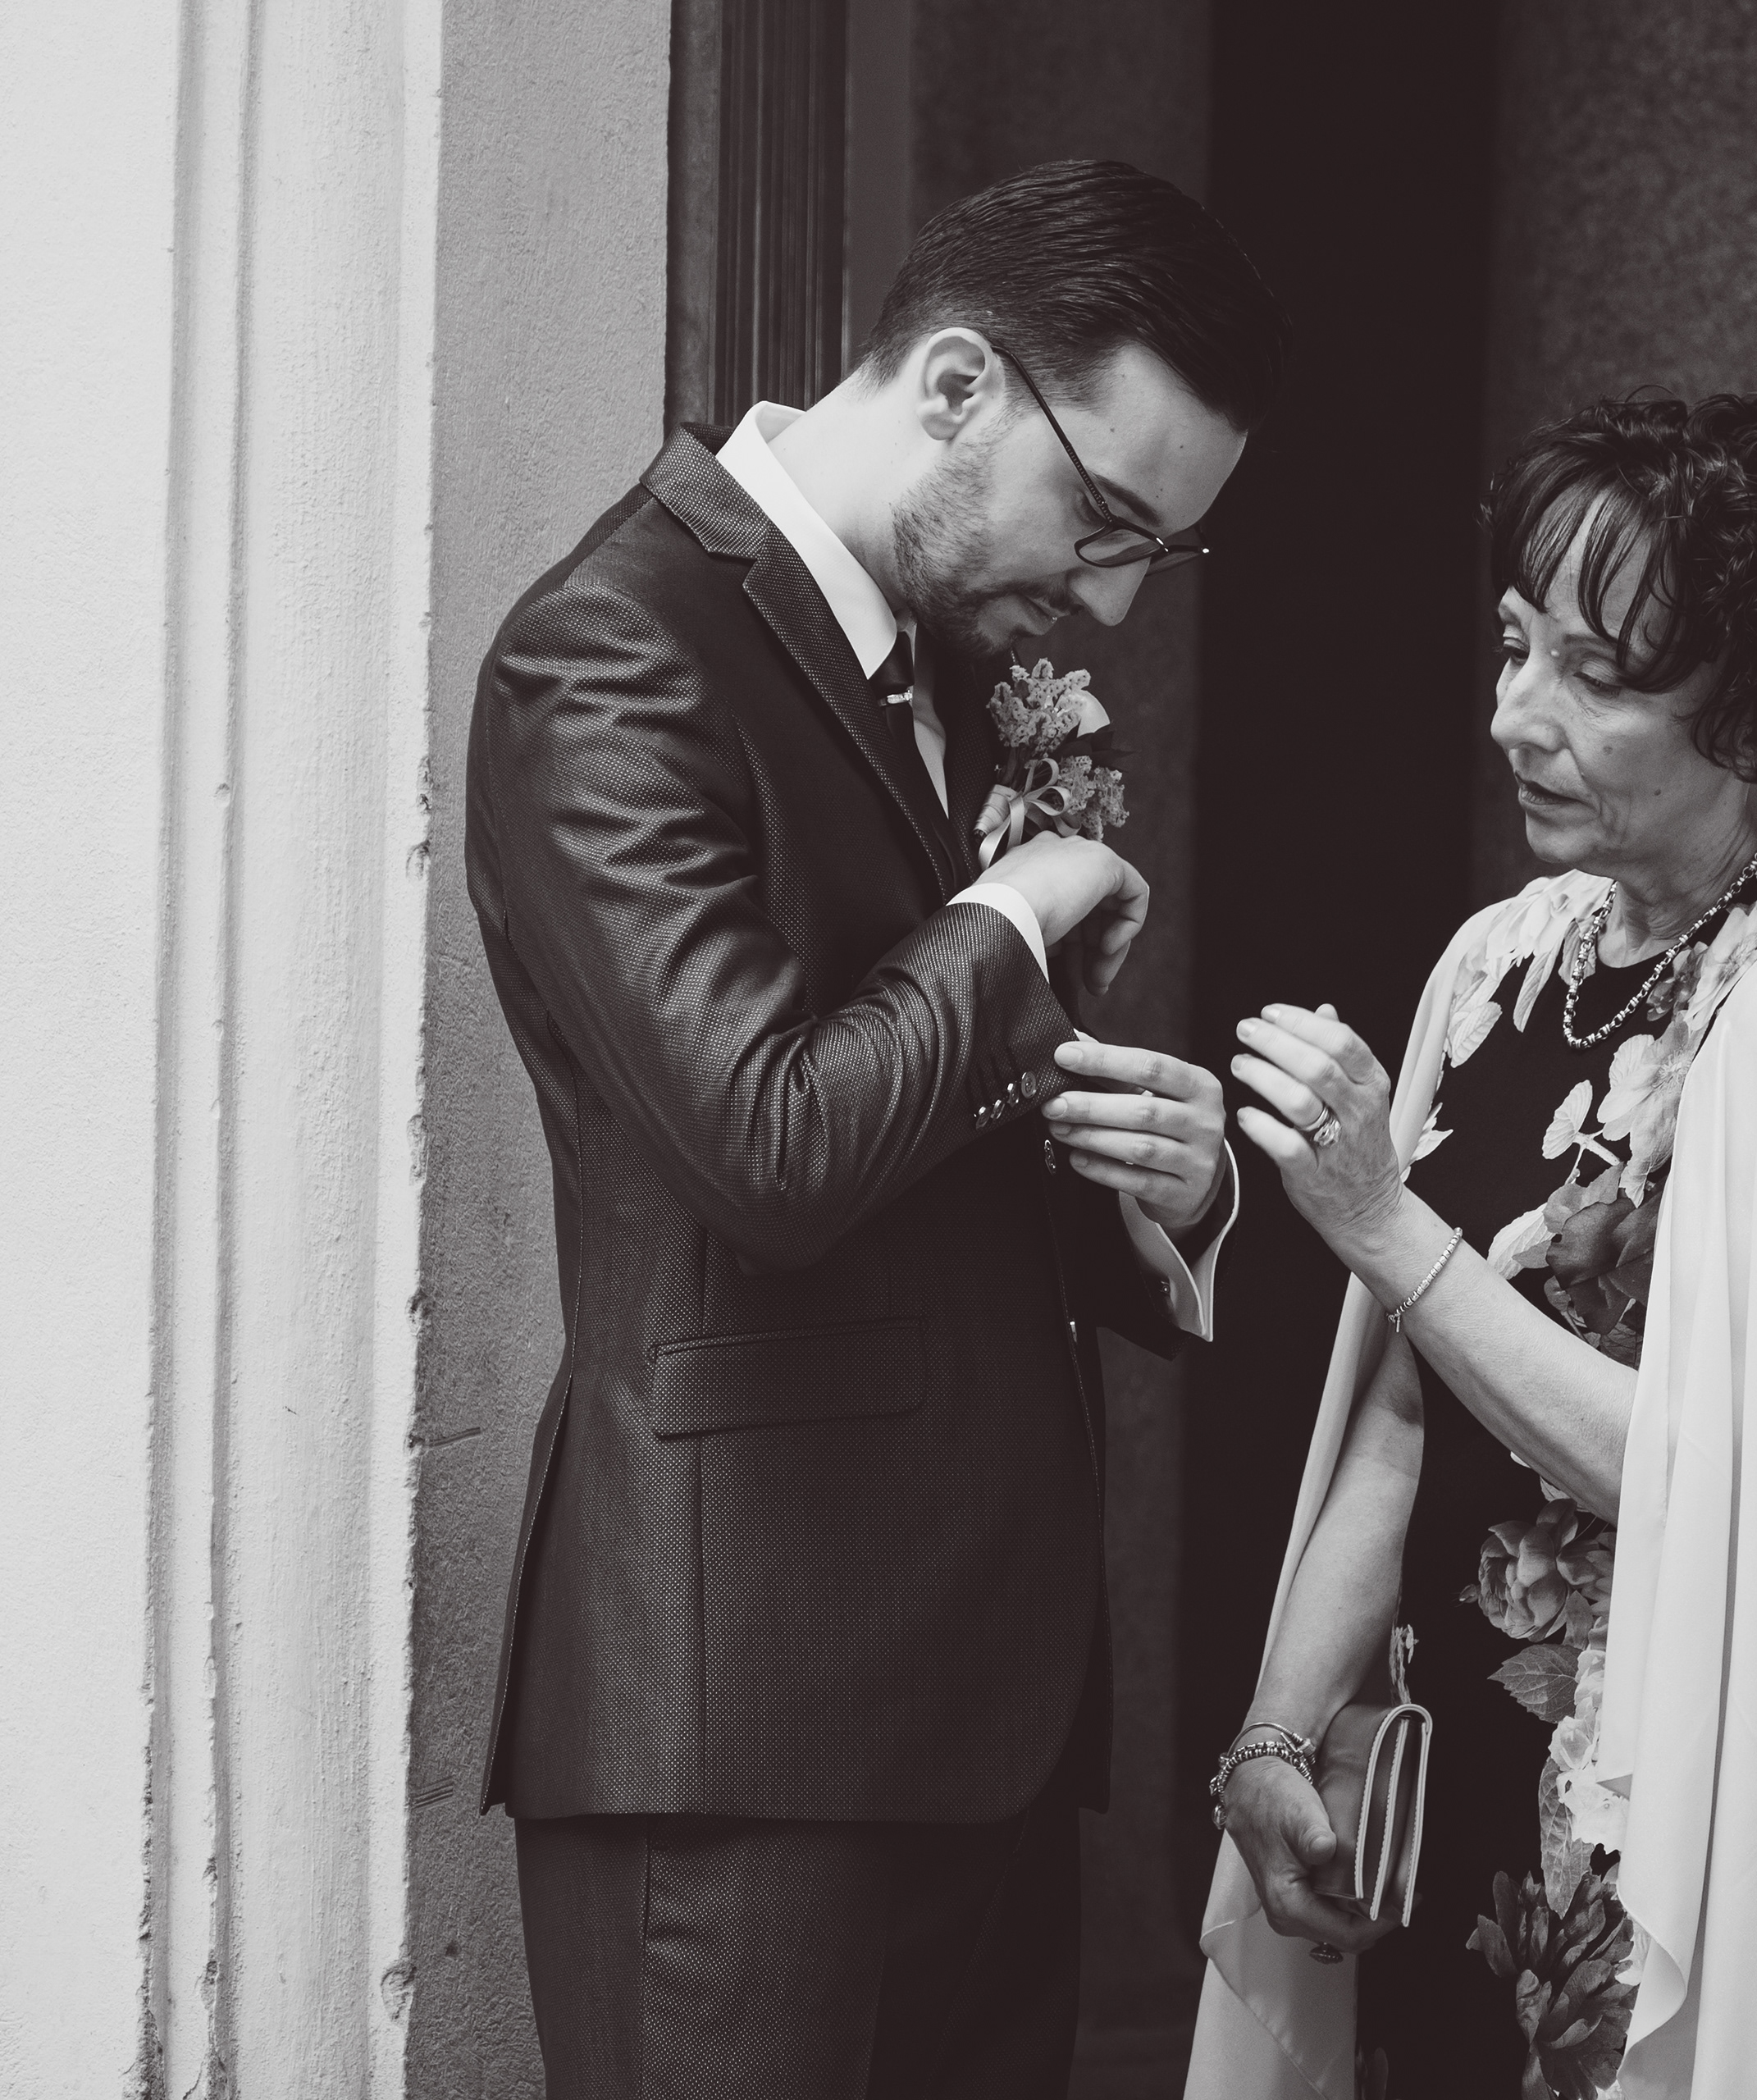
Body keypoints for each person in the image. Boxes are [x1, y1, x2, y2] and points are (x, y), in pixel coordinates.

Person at [463, 162, 1278, 2098]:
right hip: (740, 1719)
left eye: (1155, 552)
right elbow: (769, 1139)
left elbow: (936, 1126)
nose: (1109, 597)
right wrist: (1015, 915)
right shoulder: (612, 651)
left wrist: (1154, 1194)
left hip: (987, 1715)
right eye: (1105, 519)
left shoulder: (966, 661)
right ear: (960, 384)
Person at [1183, 395, 1757, 2100]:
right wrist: (1275, 1733)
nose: (1513, 713)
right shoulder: (1502, 962)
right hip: (1431, 1767)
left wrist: (1380, 1219)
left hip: (1644, 1803)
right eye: (1518, 644)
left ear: (1756, 710)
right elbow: (1401, 1408)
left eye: (1596, 676)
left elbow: (1720, 1485)